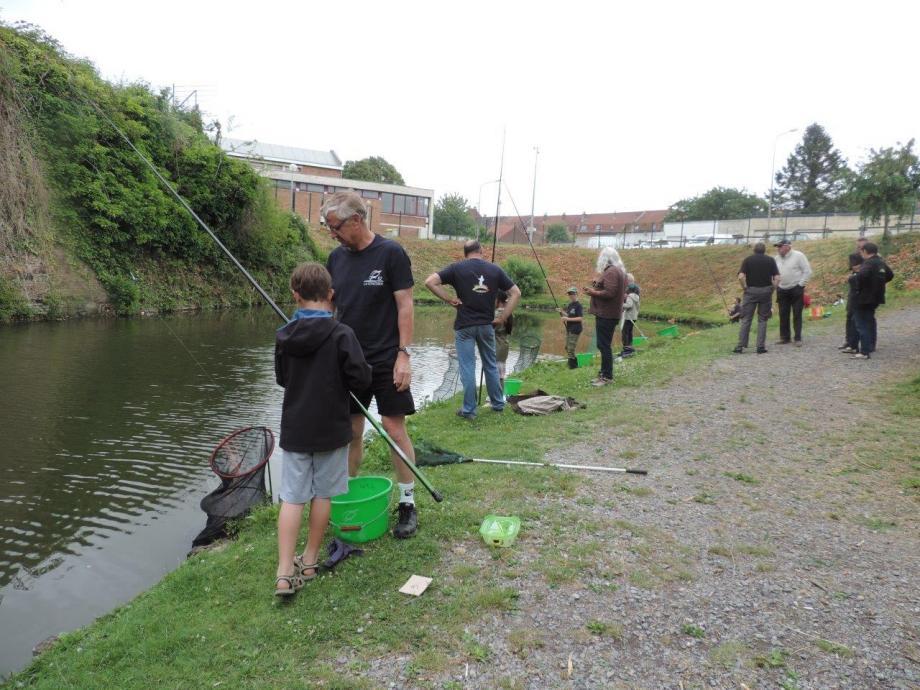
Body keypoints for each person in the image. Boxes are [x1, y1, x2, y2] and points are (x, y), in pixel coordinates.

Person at [322, 191, 420, 539]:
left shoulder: (391, 253)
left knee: (394, 429)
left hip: (385, 358)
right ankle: (347, 496)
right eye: (328, 227)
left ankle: (407, 502)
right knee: (351, 432)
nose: (332, 233)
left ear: (356, 220)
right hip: (348, 361)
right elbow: (330, 309)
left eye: (334, 226)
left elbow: (405, 306)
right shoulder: (336, 259)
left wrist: (403, 354)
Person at [273, 262, 372, 596]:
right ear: (330, 294)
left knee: (292, 497)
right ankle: (311, 560)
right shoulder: (343, 334)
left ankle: (284, 571)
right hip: (332, 428)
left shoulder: (284, 335)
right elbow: (361, 379)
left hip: (297, 429)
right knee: (322, 494)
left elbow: (282, 379)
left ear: (295, 295)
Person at [425, 240, 521, 419]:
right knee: (491, 365)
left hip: (464, 326)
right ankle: (498, 403)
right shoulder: (495, 269)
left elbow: (430, 282)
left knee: (468, 366)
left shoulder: (456, 268)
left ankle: (469, 410)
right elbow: (516, 293)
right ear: (481, 251)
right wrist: (502, 317)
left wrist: (449, 299)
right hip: (486, 326)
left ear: (465, 253)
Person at [583, 246, 627, 386]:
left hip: (606, 314)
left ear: (604, 258)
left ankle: (607, 376)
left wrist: (592, 292)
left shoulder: (611, 271)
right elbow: (610, 289)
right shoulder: (618, 271)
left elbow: (609, 293)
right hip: (611, 314)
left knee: (604, 345)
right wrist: (597, 285)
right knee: (603, 344)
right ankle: (603, 374)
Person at [732, 242, 780, 354]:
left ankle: (740, 346)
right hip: (765, 292)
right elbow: (777, 277)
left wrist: (745, 287)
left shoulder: (748, 260)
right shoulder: (770, 260)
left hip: (751, 292)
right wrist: (773, 288)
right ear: (764, 250)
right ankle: (760, 347)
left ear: (754, 250)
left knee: (746, 319)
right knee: (763, 319)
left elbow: (741, 277)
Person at [851, 241, 895, 360]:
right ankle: (871, 345)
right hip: (877, 297)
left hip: (864, 298)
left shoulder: (868, 263)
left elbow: (861, 276)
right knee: (870, 320)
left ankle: (864, 351)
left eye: (861, 251)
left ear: (865, 251)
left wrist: (857, 283)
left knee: (861, 323)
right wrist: (878, 283)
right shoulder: (881, 262)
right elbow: (890, 275)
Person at [773, 239, 812, 346]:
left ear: (788, 246)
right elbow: (774, 273)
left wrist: (800, 285)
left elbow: (807, 271)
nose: (778, 249)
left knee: (797, 313)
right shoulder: (776, 258)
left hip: (796, 288)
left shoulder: (799, 256)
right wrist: (776, 285)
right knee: (783, 314)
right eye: (778, 247)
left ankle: (797, 338)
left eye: (780, 246)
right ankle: (785, 337)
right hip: (782, 289)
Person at [839, 253, 863, 354]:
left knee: (855, 322)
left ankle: (854, 345)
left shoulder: (862, 271)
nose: (851, 264)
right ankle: (849, 342)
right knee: (849, 319)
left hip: (857, 300)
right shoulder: (854, 272)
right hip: (852, 298)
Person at [493, 290, 514, 387]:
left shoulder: (497, 313)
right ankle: (500, 394)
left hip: (496, 346)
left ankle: (496, 395)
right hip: (504, 345)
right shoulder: (509, 313)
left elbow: (490, 328)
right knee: (501, 370)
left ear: (499, 300)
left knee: (495, 372)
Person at [560, 286, 584, 369]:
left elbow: (580, 318)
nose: (570, 295)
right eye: (569, 294)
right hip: (569, 329)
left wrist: (567, 319)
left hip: (576, 329)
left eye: (572, 293)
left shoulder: (578, 305)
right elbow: (569, 315)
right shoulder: (570, 305)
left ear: (576, 294)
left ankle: (573, 366)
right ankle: (571, 363)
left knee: (571, 348)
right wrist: (562, 313)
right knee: (567, 347)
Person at [619, 282, 640, 358]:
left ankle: (626, 349)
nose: (626, 289)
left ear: (630, 290)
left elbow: (629, 305)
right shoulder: (637, 296)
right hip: (634, 317)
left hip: (628, 317)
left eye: (627, 288)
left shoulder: (630, 296)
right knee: (629, 332)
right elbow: (637, 307)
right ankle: (630, 348)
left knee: (625, 333)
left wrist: (621, 304)